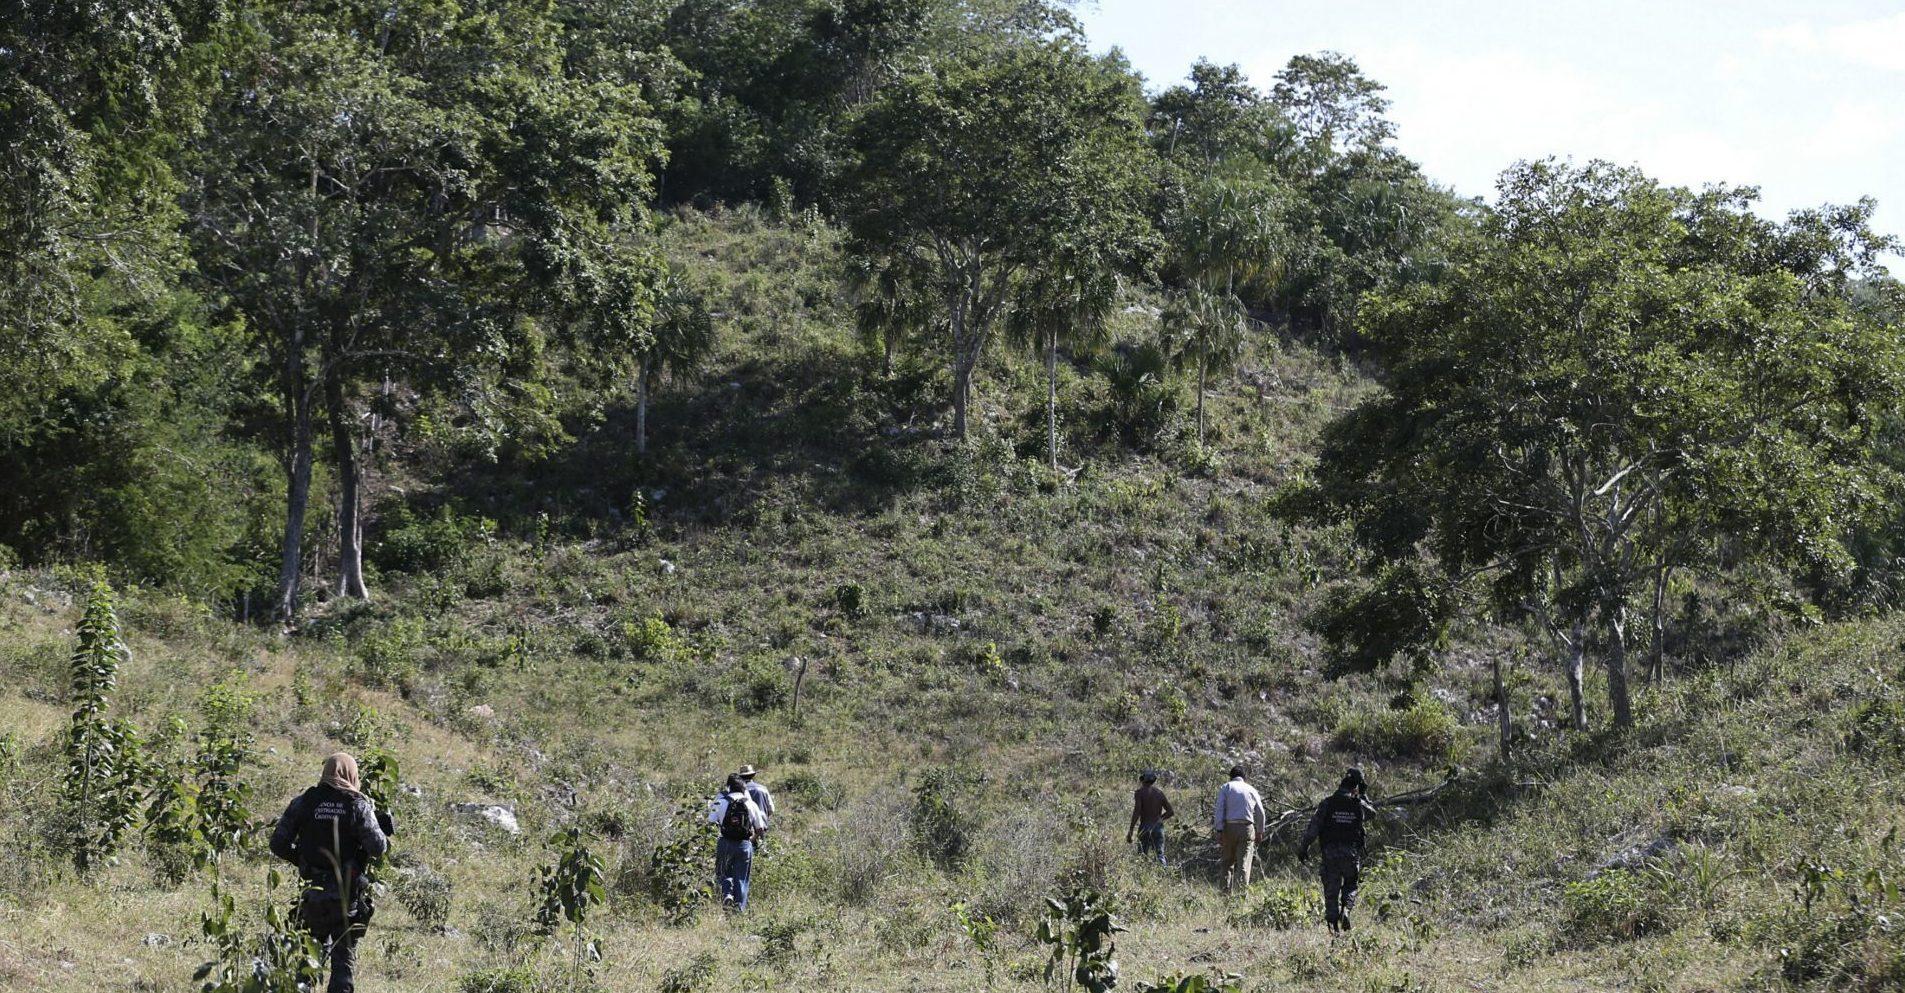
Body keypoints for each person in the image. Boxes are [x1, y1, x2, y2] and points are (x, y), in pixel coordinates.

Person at [269, 752, 392, 993]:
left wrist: (303, 861)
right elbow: (378, 847)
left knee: (307, 962)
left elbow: (278, 843)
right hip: (346, 898)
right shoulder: (357, 805)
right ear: (352, 774)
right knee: (342, 968)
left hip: (313, 893)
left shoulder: (304, 802)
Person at [1298, 767, 1379, 932]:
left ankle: (1334, 930)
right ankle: (1347, 910)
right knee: (1351, 885)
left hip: (1330, 855)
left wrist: (1304, 847)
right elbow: (1373, 814)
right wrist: (1362, 795)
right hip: (1351, 854)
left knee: (1331, 891)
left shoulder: (1327, 803)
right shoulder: (1359, 804)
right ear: (1355, 787)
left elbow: (1313, 828)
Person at [707, 774, 766, 911]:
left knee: (723, 872)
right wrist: (752, 839)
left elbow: (710, 821)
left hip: (725, 842)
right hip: (744, 844)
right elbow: (760, 828)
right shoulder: (751, 804)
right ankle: (738, 911)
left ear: (728, 787)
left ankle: (727, 893)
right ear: (744, 789)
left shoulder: (720, 802)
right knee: (742, 879)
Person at [1211, 764, 1267, 893]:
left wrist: (1219, 830)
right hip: (1247, 828)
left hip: (1229, 827)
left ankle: (1225, 895)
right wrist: (1260, 831)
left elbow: (1220, 809)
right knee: (1244, 865)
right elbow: (1261, 812)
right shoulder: (1251, 789)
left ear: (1231, 776)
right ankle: (1241, 897)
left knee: (1227, 863)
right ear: (1244, 777)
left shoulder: (1226, 787)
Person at [1125, 770, 1174, 864]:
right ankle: (1163, 874)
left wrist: (1131, 830)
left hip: (1145, 827)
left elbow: (1137, 811)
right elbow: (1170, 812)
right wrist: (1159, 819)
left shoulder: (1139, 793)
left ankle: (1141, 876)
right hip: (1158, 828)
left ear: (1143, 780)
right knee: (1160, 854)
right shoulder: (1159, 793)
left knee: (1142, 856)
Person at [738, 764, 776, 849]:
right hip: (761, 827)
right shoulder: (763, 789)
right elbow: (771, 809)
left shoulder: (740, 790)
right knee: (761, 852)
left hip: (745, 828)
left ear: (740, 777)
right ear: (753, 775)